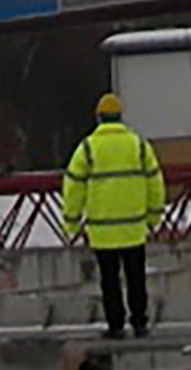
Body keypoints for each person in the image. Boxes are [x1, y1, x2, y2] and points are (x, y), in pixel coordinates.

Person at [62, 93, 167, 340]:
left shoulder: (88, 148)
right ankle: (140, 322)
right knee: (136, 277)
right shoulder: (138, 145)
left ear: (99, 118)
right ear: (120, 117)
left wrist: (71, 222)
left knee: (109, 280)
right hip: (133, 227)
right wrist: (154, 217)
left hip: (103, 230)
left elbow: (73, 186)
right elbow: (155, 183)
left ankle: (116, 325)